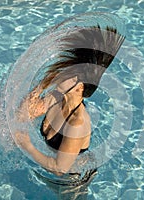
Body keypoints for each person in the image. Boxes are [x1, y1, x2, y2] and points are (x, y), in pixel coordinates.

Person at [15, 25, 125, 198]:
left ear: (78, 87)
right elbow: (23, 115)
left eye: (68, 73)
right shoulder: (57, 97)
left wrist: (27, 145)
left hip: (72, 181)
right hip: (50, 168)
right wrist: (43, 85)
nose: (61, 73)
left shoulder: (77, 124)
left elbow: (60, 169)